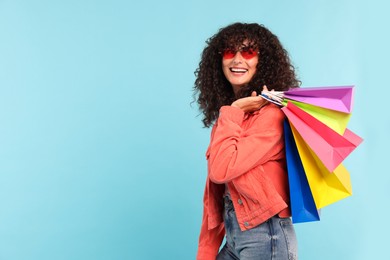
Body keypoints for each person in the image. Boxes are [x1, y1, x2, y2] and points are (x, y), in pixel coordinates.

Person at [193, 22, 301, 260]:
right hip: (234, 237)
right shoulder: (229, 120)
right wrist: (206, 253)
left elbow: (221, 171)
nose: (237, 60)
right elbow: (214, 196)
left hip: (266, 238)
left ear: (262, 62)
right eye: (230, 52)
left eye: (248, 52)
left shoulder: (272, 116)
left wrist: (233, 110)